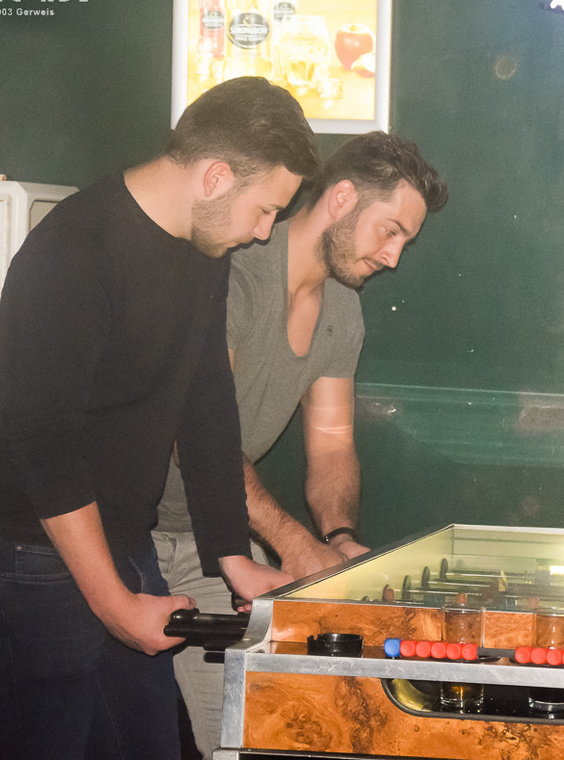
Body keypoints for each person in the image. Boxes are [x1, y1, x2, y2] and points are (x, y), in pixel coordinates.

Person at [0, 77, 319, 760]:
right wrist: (115, 605)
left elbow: (205, 403)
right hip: (18, 556)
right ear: (215, 176)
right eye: (265, 209)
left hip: (119, 544)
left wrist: (232, 556)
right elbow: (46, 443)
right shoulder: (75, 248)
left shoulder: (204, 250)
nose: (264, 232)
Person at [154, 131, 448, 757]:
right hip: (129, 534)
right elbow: (196, 441)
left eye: (405, 241)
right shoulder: (235, 276)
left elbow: (334, 443)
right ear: (342, 198)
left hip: (217, 543)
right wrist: (293, 543)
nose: (394, 257)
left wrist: (337, 538)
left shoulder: (343, 307)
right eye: (390, 230)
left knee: (247, 738)